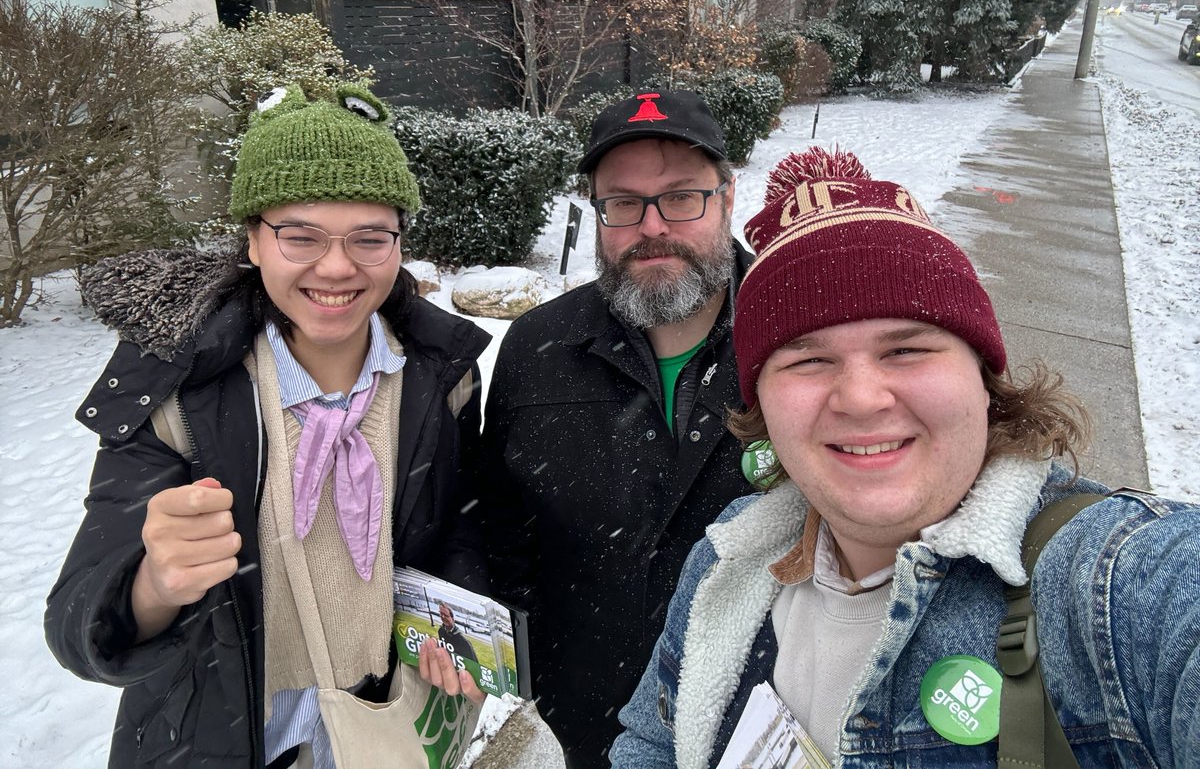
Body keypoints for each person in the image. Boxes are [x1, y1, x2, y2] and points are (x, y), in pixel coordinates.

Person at [611, 147, 1200, 767]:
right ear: (762, 405)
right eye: (809, 360)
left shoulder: (1117, 589)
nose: (861, 398)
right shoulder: (728, 559)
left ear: (982, 376)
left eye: (906, 350)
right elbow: (652, 745)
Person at [45, 85, 491, 768]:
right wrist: (154, 584)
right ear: (254, 241)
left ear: (399, 244)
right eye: (300, 235)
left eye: (370, 237)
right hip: (218, 742)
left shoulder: (441, 378)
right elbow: (78, 624)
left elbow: (459, 522)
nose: (337, 266)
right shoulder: (178, 396)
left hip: (384, 735)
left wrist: (456, 617)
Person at [479, 90, 753, 767]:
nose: (651, 227)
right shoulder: (537, 349)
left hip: (748, 726)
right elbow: (501, 542)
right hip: (578, 726)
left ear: (726, 197)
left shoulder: (796, 342)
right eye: (623, 203)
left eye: (682, 197)